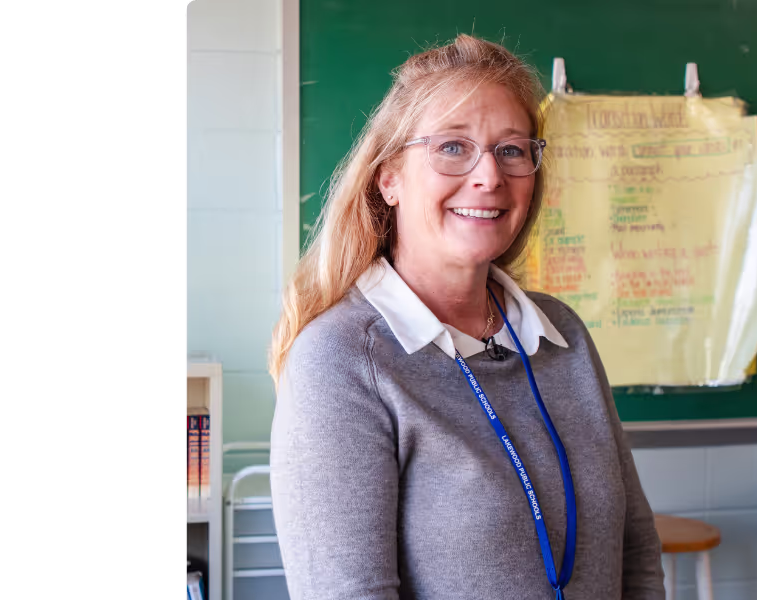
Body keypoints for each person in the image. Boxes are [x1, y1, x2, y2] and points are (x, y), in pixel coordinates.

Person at [268, 34, 665, 600]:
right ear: (390, 177)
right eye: (452, 147)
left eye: (511, 150)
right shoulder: (341, 360)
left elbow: (636, 550)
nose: (489, 177)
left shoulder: (563, 335)